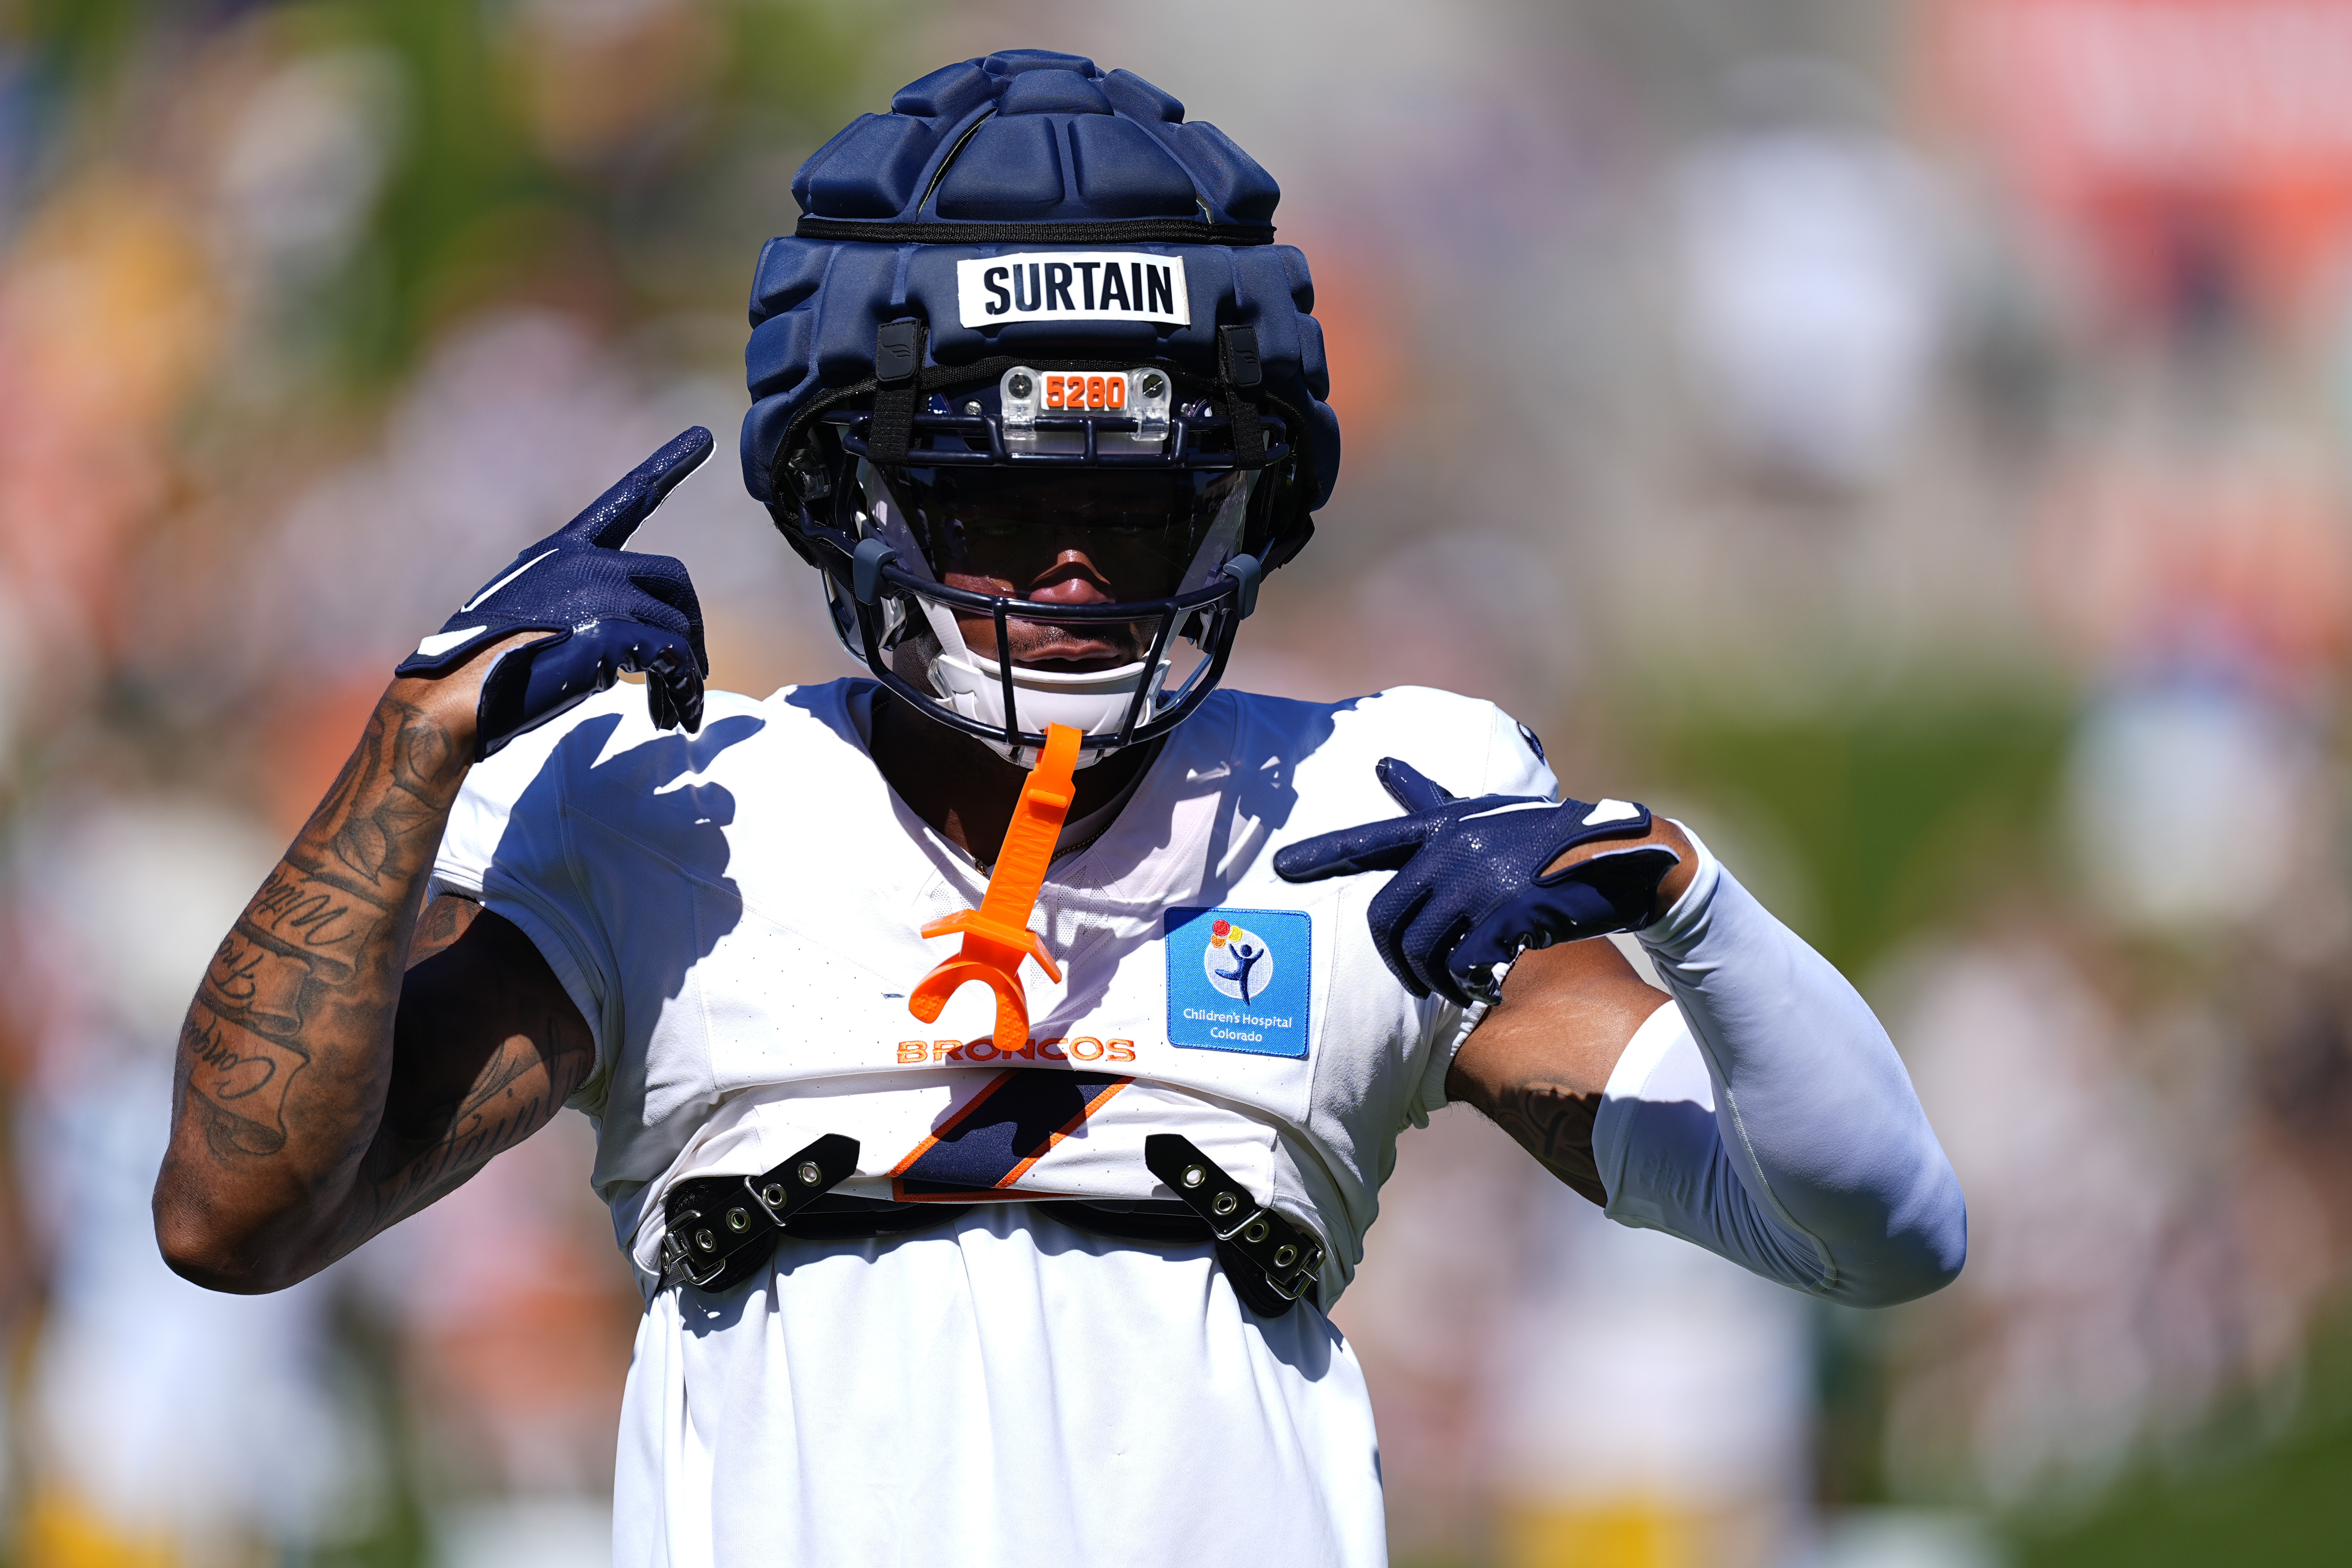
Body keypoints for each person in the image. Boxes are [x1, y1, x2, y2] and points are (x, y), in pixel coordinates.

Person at [154, 50, 1965, 1566]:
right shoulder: (680, 818)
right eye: (1000, 505)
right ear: (849, 492)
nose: (1077, 570)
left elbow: (1878, 1228)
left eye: (1142, 504)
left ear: (1243, 500)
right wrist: (413, 752)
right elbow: (236, 1212)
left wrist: (1686, 900)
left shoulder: (1371, 808)